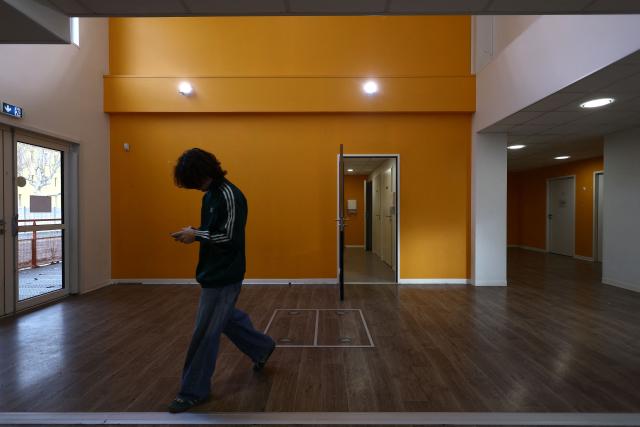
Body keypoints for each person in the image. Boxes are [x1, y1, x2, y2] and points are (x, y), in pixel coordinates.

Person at [168, 148, 275, 414]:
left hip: (225, 274)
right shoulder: (211, 195)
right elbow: (214, 231)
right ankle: (262, 347)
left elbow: (229, 238)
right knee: (225, 318)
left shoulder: (229, 195)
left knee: (205, 332)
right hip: (213, 272)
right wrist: (195, 232)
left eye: (191, 179)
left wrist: (196, 235)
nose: (191, 186)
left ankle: (193, 391)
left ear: (201, 173)